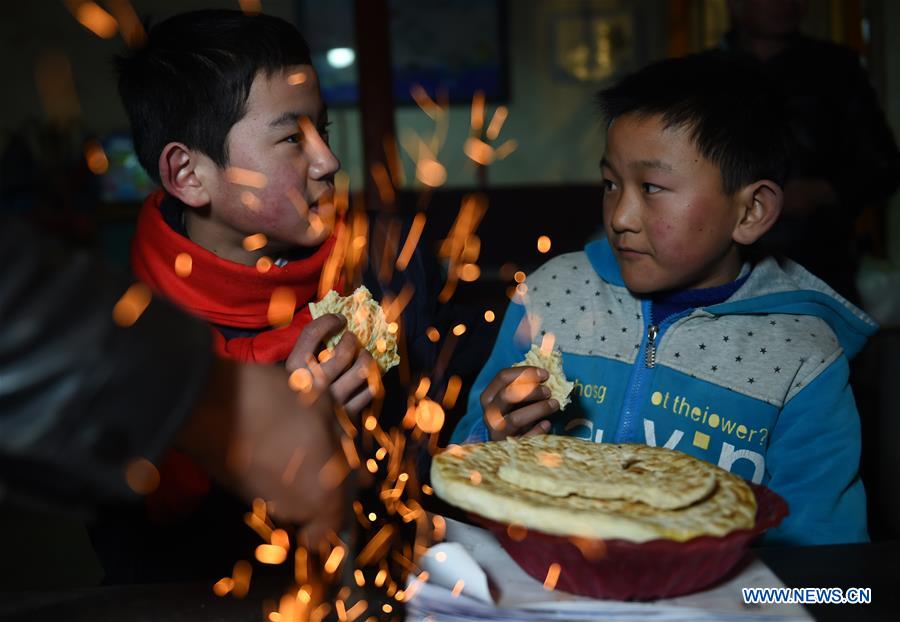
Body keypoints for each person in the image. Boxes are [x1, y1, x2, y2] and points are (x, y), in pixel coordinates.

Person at [450, 54, 878, 546]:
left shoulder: (802, 357)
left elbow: (833, 572)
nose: (621, 216)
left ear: (752, 210)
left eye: (652, 187)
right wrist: (493, 437)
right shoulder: (552, 295)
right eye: (611, 184)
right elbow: (466, 466)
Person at [0, 218, 345, 546]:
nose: (325, 163)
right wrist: (225, 403)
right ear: (187, 175)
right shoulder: (139, 320)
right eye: (289, 149)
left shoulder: (344, 274)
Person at [705, 0, 900, 303]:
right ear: (735, 5)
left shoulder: (837, 69)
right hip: (725, 260)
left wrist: (820, 192)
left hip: (819, 262)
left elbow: (883, 165)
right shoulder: (706, 74)